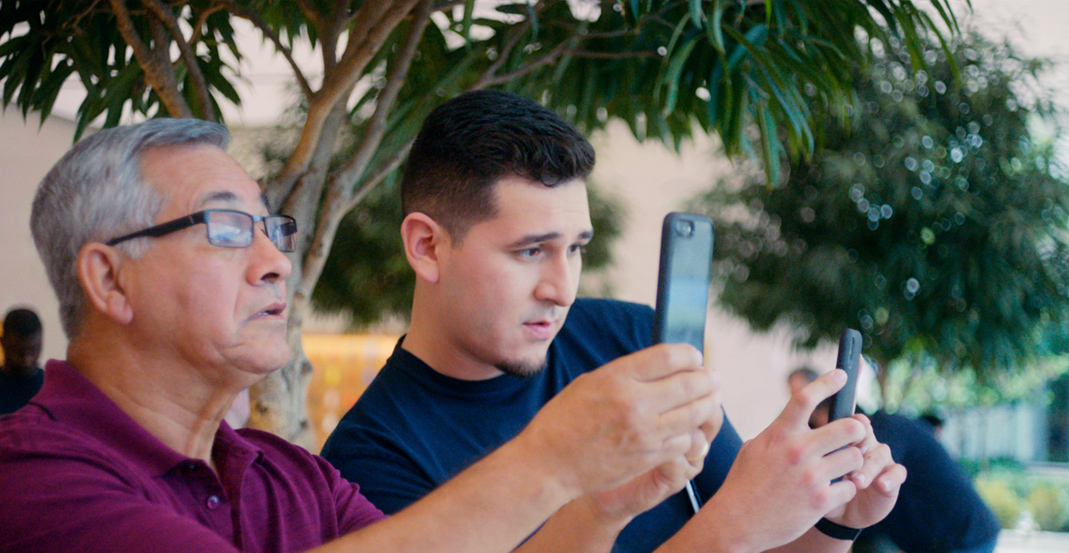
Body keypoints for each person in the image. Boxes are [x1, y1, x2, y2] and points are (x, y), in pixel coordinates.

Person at [0, 118, 724, 553]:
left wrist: (604, 503)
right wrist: (553, 460)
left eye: (273, 228)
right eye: (226, 228)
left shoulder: (288, 475)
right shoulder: (31, 477)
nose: (274, 261)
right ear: (108, 279)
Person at [322, 89, 906, 553]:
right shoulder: (368, 462)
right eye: (530, 251)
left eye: (575, 248)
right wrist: (730, 530)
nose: (562, 288)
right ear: (427, 246)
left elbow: (761, 542)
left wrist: (834, 524)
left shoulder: (630, 340)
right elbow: (737, 533)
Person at [788, 364, 1001, 553]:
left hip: (964, 537)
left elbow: (862, 502)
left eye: (809, 404)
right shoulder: (873, 432)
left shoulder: (881, 432)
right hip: (942, 538)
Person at [0, 307, 44, 415]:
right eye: (18, 352)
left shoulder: (51, 389)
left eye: (33, 351)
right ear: (3, 342)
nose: (26, 360)